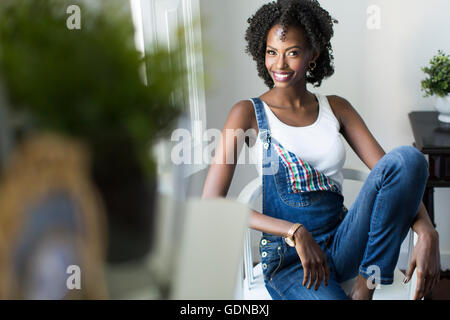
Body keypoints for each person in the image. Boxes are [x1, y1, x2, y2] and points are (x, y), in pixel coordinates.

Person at [201, 0, 440, 300]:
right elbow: (212, 202)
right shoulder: (247, 112)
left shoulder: (336, 108)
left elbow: (395, 176)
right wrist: (294, 231)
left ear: (313, 54)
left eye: (293, 53)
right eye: (272, 52)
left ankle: (365, 289)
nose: (280, 65)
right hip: (290, 261)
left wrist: (427, 231)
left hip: (343, 243)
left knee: (409, 159)